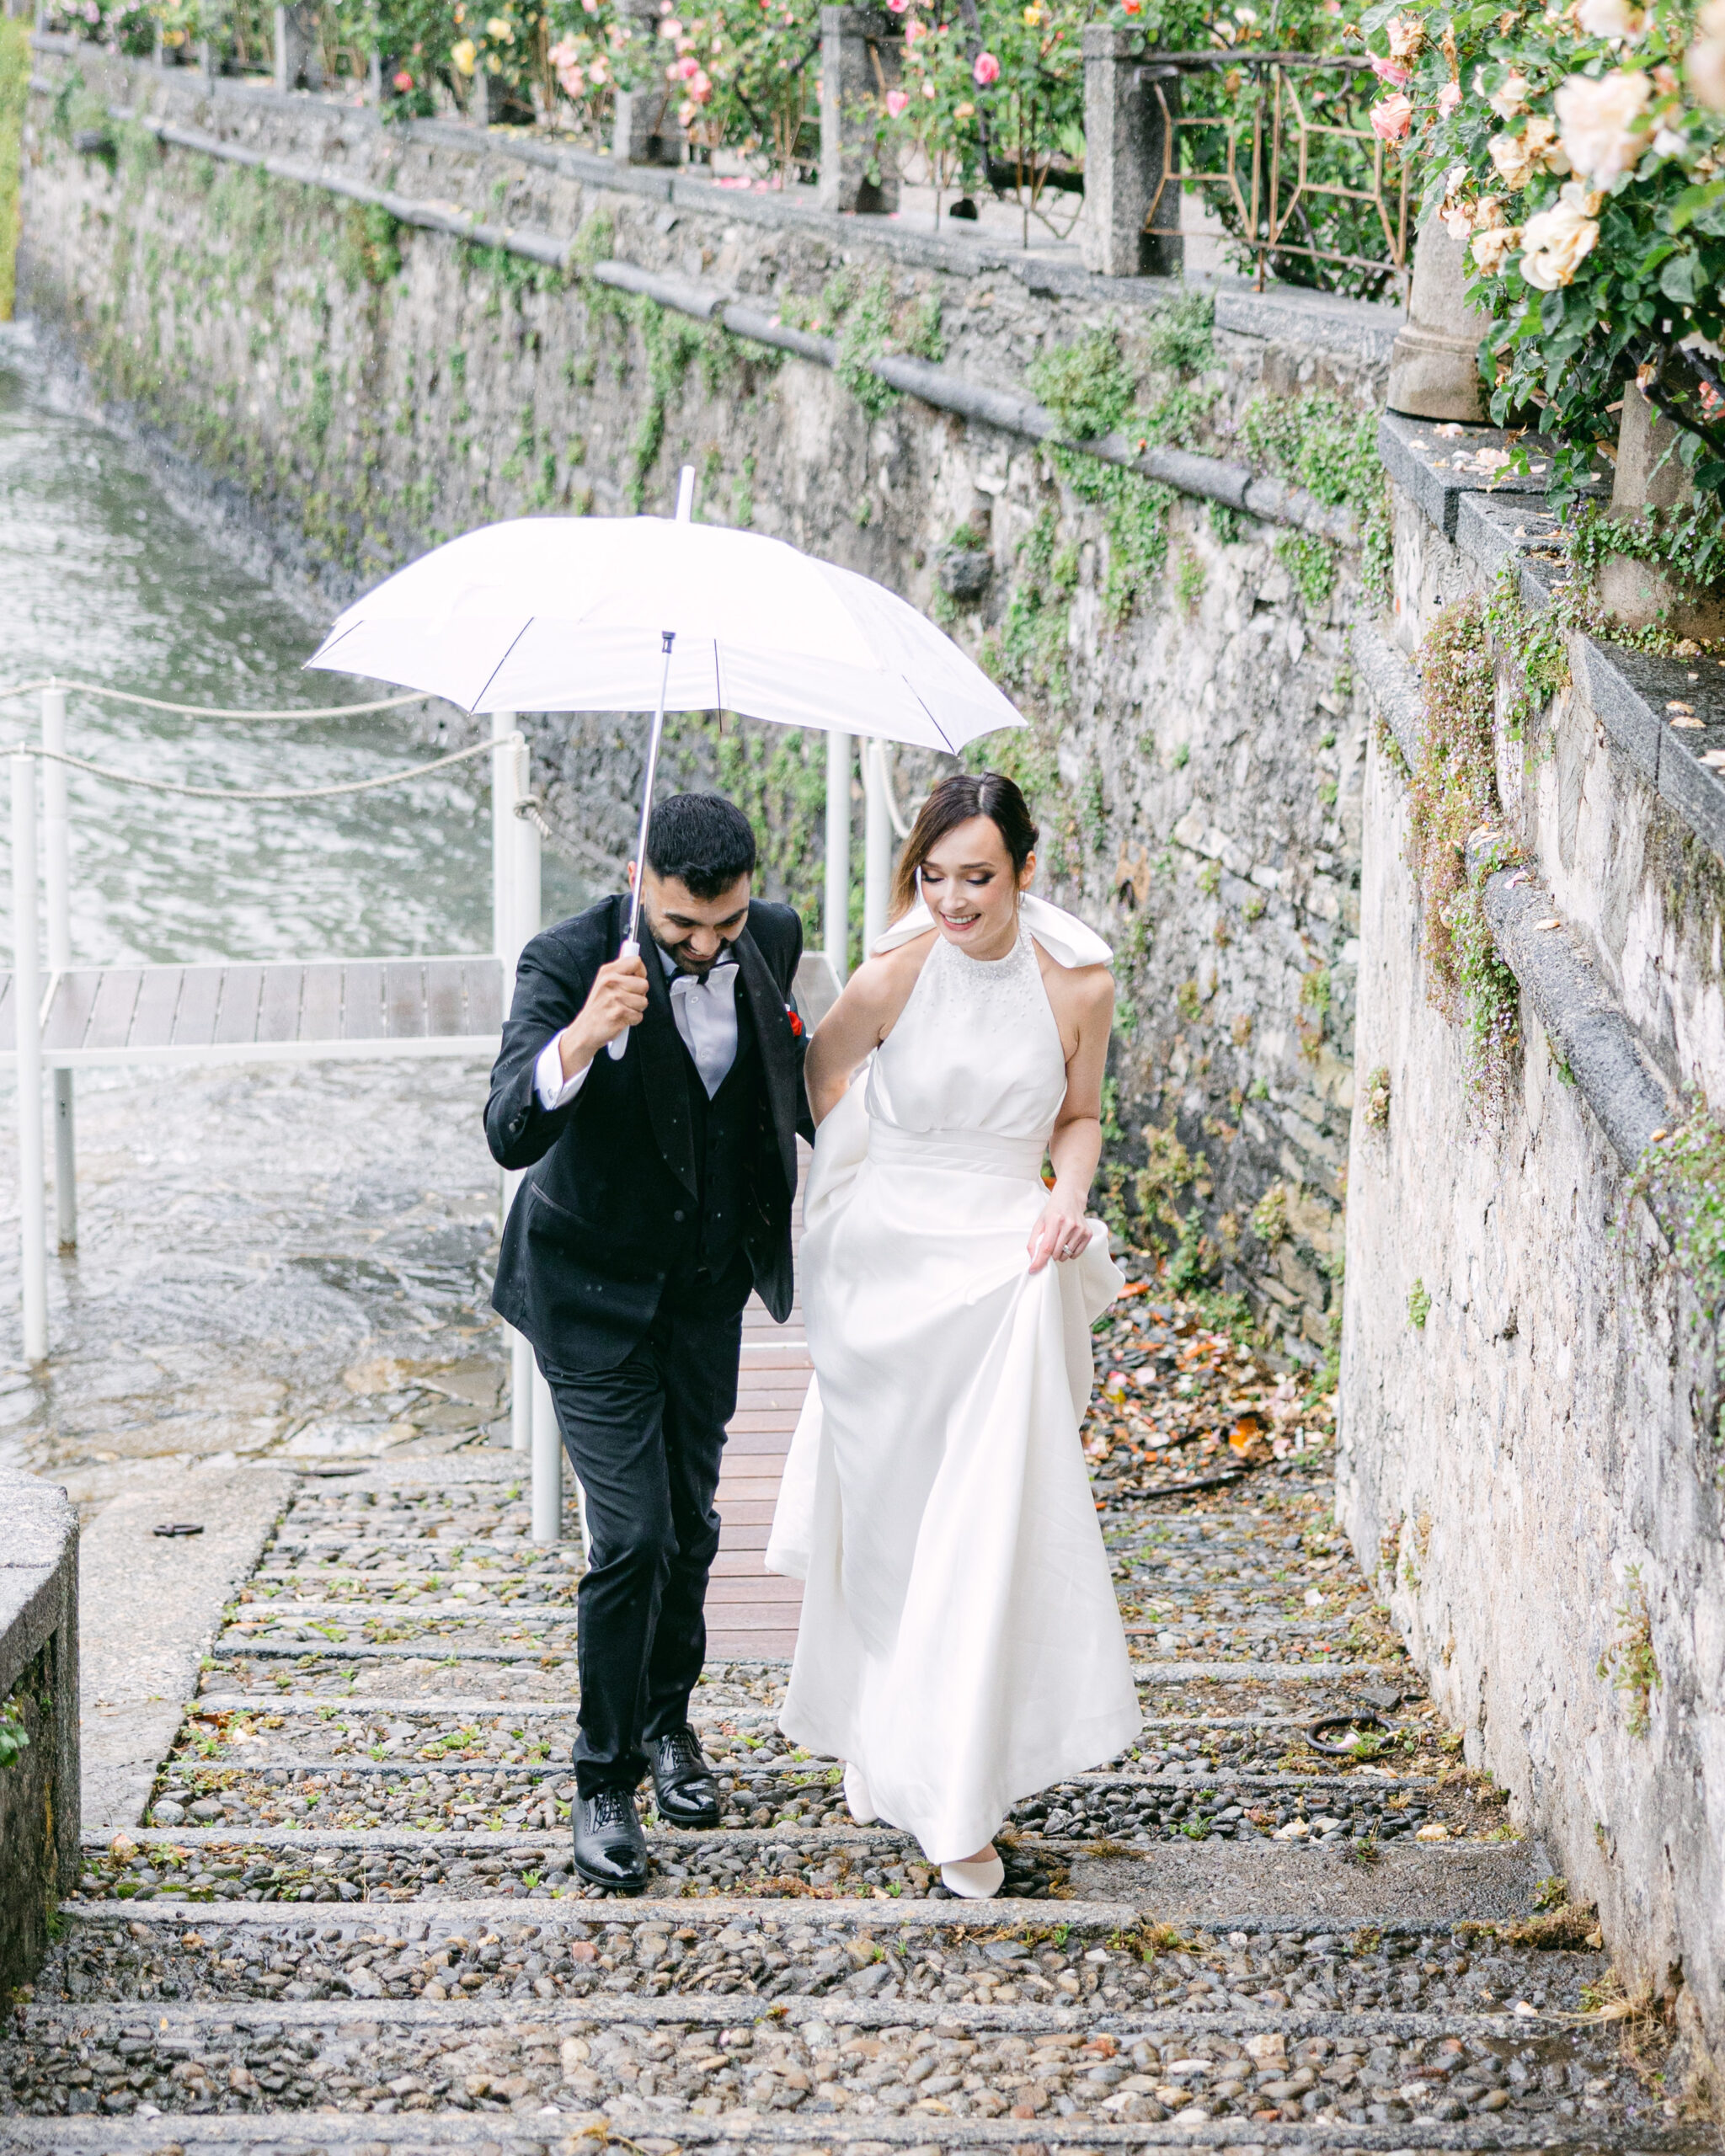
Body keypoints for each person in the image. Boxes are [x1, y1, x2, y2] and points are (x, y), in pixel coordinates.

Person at [765, 770, 1140, 1897]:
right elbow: (821, 1076)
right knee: (895, 1531)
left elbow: (1078, 1117)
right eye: (933, 878)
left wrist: (1065, 1198)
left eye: (977, 877)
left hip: (1005, 1262)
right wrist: (860, 1188)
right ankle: (884, 1734)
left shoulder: (1079, 985)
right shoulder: (897, 971)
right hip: (888, 1273)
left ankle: (956, 1788)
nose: (953, 901)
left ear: (1027, 869)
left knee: (985, 1529)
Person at [486, 792, 809, 1892]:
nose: (708, 946)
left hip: (703, 1291)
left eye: (724, 924)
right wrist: (584, 1036)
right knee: (630, 1537)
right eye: (684, 929)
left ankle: (672, 1725)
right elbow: (507, 1130)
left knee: (692, 1522)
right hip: (587, 1290)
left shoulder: (773, 936)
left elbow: (776, 1084)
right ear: (639, 880)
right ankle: (603, 1779)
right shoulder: (565, 958)